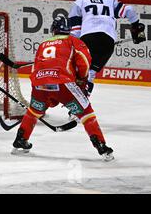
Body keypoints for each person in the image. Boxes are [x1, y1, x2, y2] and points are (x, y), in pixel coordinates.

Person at [12, 16, 114, 161]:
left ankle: (21, 139)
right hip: (63, 83)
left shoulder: (43, 44)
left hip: (39, 84)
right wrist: (81, 79)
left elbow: (36, 68)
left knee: (34, 111)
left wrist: (47, 92)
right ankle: (101, 146)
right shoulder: (74, 41)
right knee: (86, 113)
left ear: (53, 29)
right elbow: (84, 61)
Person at [68, 0, 146, 96]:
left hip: (88, 39)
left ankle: (77, 106)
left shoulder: (80, 2)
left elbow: (75, 32)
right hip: (108, 41)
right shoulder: (109, 0)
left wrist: (69, 48)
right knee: (91, 73)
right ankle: (82, 105)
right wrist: (136, 27)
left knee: (82, 73)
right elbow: (129, 10)